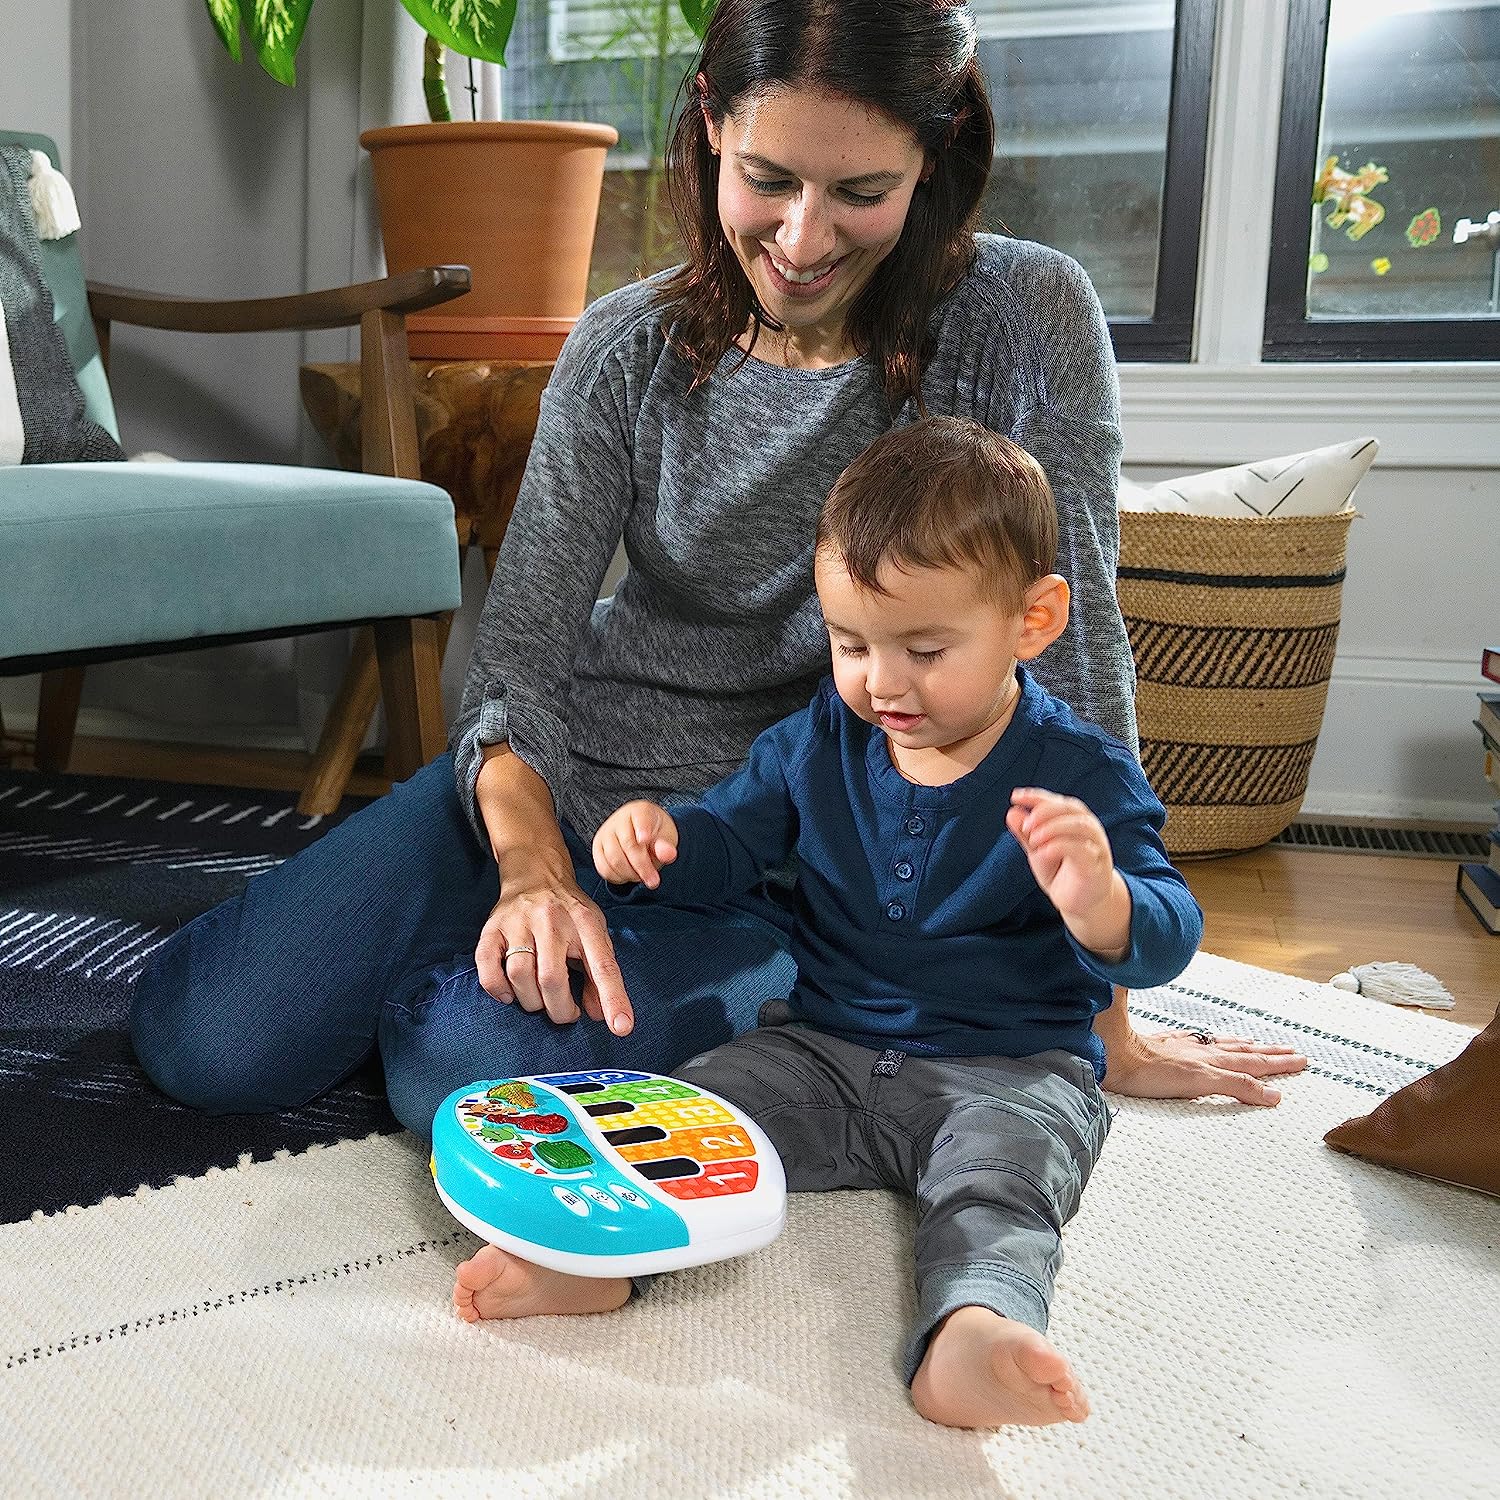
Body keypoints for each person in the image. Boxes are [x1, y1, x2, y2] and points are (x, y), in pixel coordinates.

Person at [129, 0, 1303, 1142]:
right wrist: (534, 870)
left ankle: (474, 996)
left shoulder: (1022, 317)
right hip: (561, 789)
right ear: (708, 127)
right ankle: (473, 944)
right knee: (206, 1046)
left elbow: (1075, 650)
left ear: (933, 159)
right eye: (768, 179)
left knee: (464, 1068)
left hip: (780, 859)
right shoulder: (625, 344)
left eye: (861, 192)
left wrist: (1108, 1028)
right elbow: (522, 656)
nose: (802, 241)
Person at [452, 418, 1204, 1430]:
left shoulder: (1079, 774)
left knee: (1005, 1184)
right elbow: (731, 831)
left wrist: (1104, 904)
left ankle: (972, 1334)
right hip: (823, 1047)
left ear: (1033, 621)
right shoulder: (826, 732)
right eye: (852, 644)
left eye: (925, 649)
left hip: (1010, 1066)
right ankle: (605, 1266)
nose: (882, 682)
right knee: (689, 1111)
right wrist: (661, 840)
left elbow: (1170, 926)